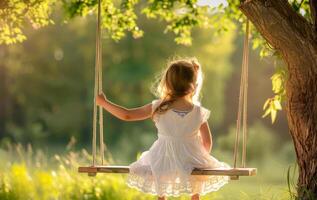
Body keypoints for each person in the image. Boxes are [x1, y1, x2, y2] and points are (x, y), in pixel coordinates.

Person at [96, 57, 230, 200]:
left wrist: (104, 103)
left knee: (160, 176)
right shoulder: (198, 112)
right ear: (194, 84)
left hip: (163, 157)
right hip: (191, 159)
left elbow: (127, 115)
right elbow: (207, 143)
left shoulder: (159, 107)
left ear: (167, 83)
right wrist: (198, 158)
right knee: (195, 181)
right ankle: (194, 196)